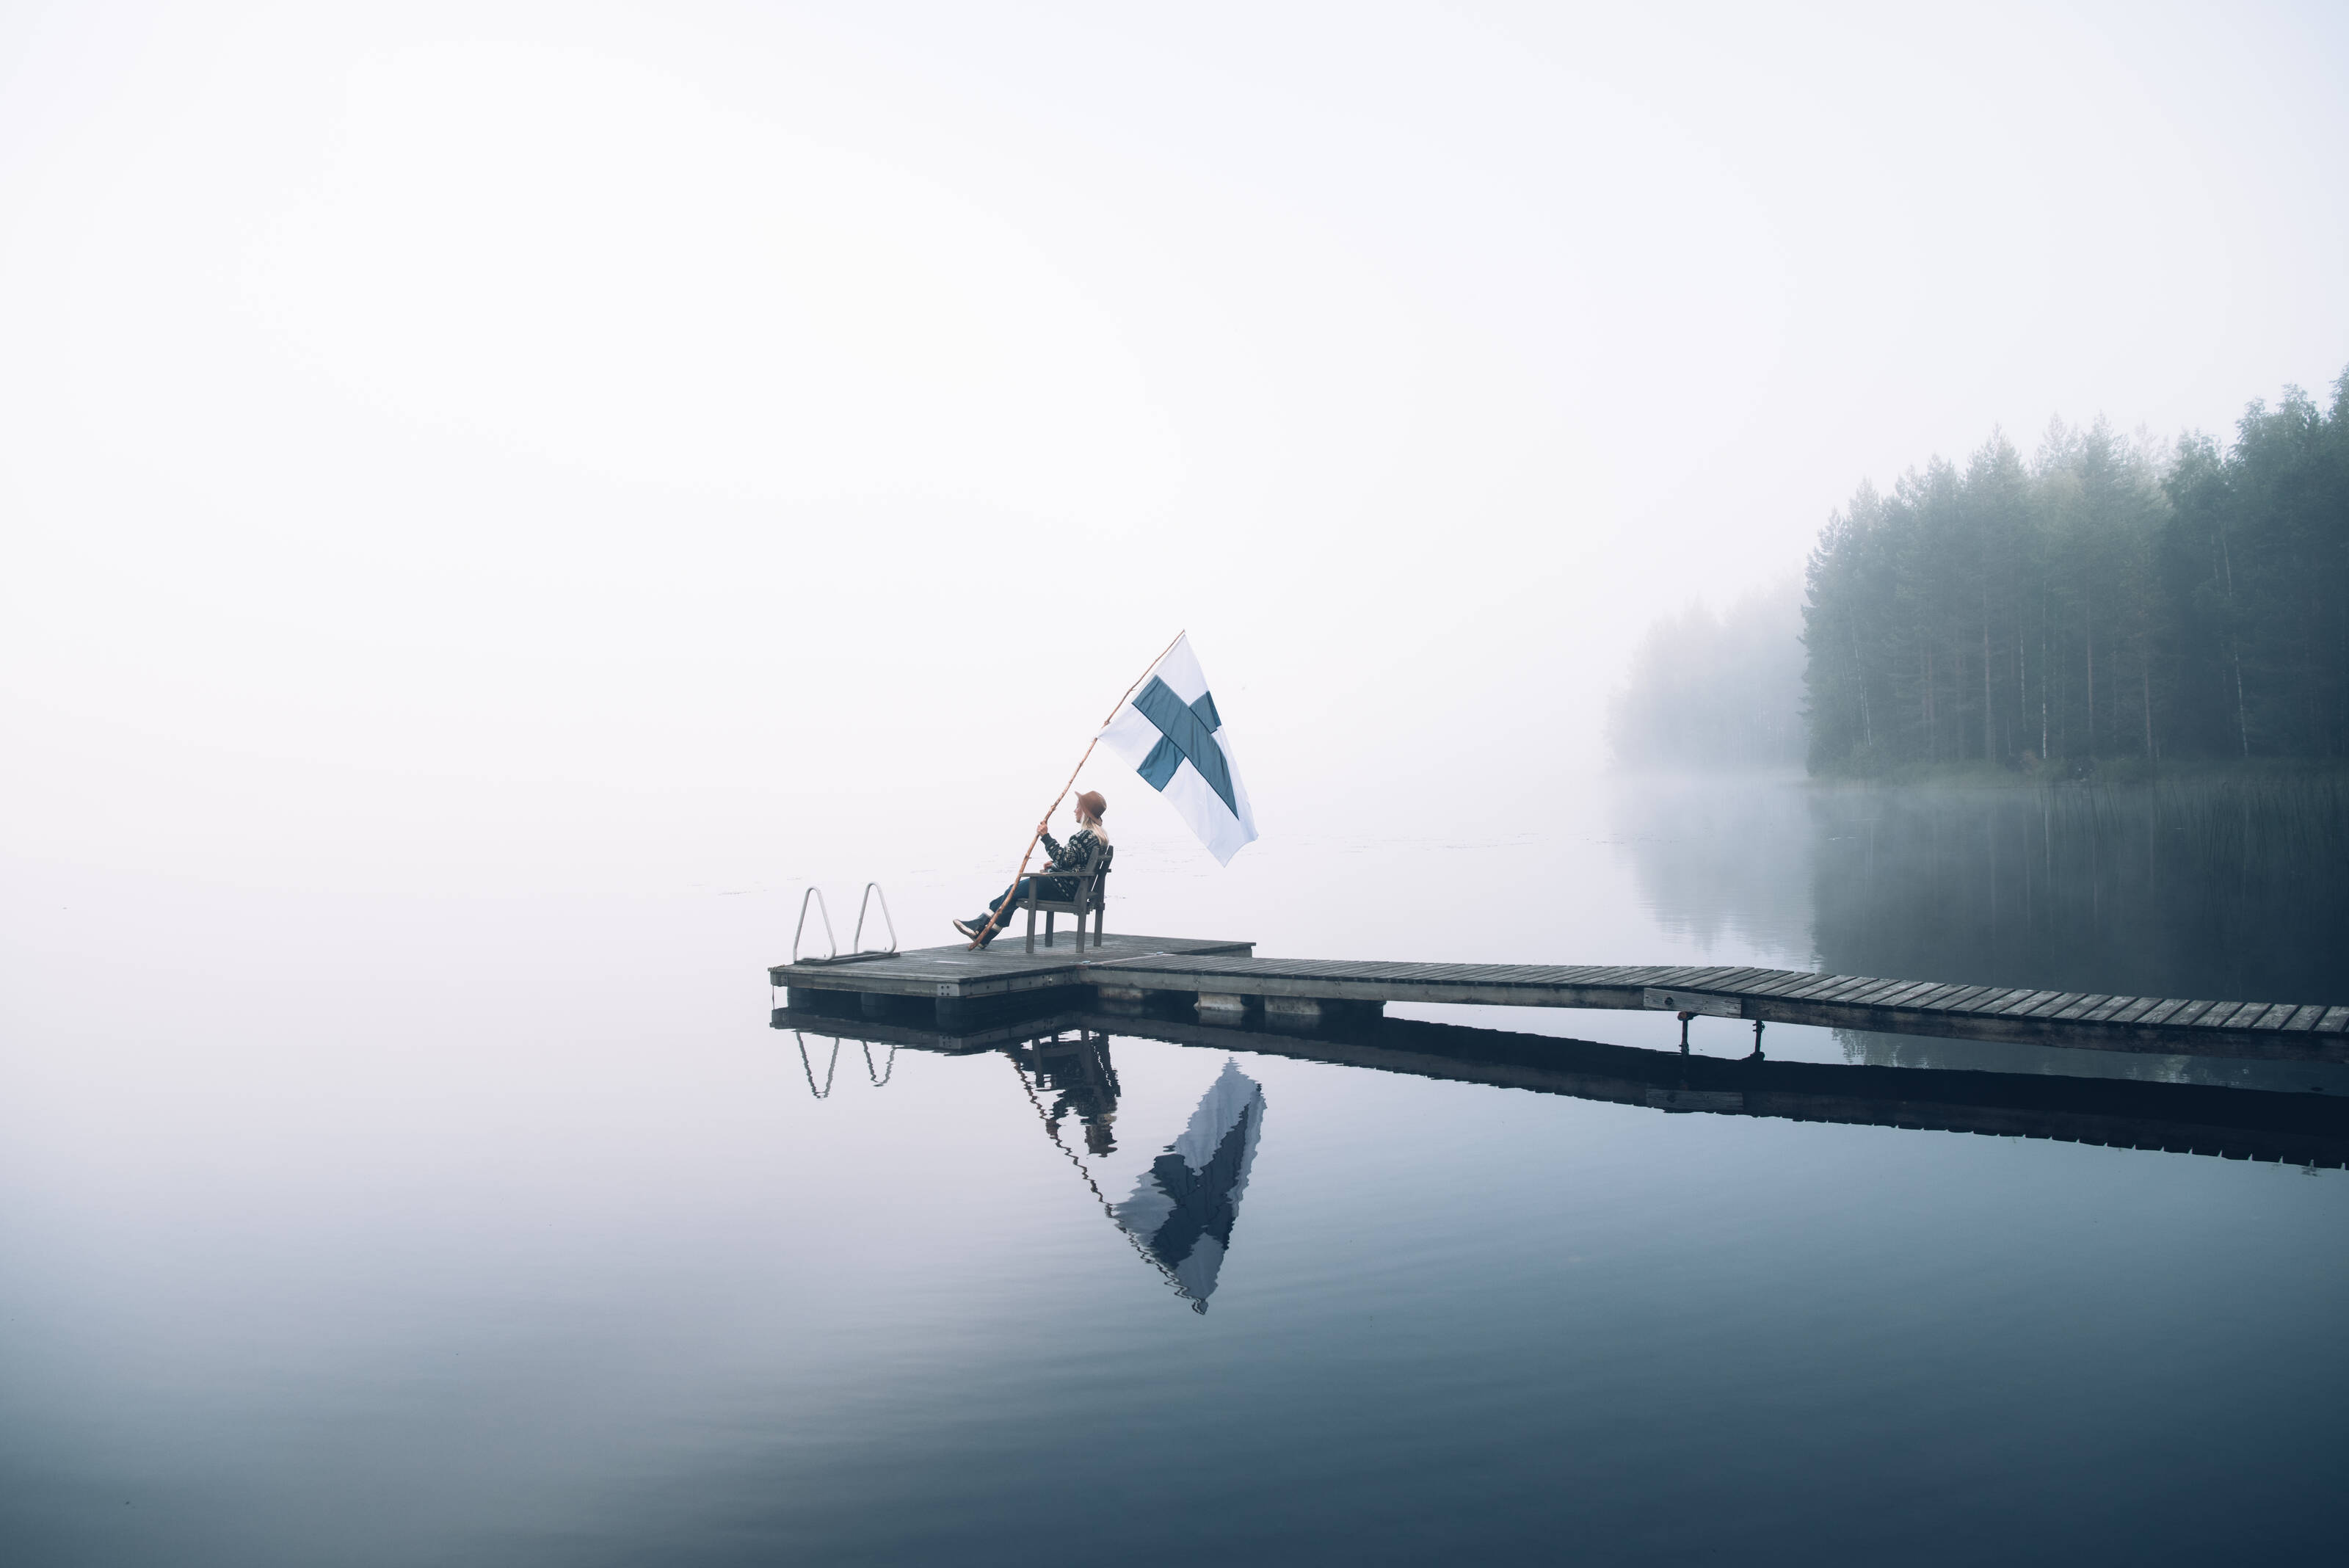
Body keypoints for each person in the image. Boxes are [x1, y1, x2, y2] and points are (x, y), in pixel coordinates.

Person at [954, 791, 1113, 945]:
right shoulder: (1096, 837)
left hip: (1063, 887)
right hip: (1073, 887)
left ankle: (983, 932)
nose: (1074, 810)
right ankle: (981, 930)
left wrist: (1046, 837)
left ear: (1085, 812)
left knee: (1013, 892)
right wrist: (1055, 865)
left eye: (1078, 807)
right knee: (1012, 891)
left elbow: (1064, 858)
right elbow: (1075, 862)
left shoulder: (1085, 836)